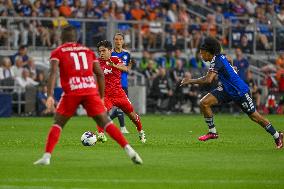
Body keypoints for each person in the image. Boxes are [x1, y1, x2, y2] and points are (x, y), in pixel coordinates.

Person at [34, 26, 143, 165]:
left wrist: (49, 95)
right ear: (76, 38)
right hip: (90, 90)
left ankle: (46, 157)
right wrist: (102, 96)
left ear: (62, 38)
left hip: (73, 90)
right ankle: (131, 151)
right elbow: (100, 74)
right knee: (106, 122)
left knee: (58, 123)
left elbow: (53, 73)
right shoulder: (87, 51)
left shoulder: (58, 51)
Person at [180, 37, 283, 149]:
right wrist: (232, 67)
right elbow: (229, 59)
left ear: (209, 53)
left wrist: (189, 81)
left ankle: (277, 136)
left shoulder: (216, 60)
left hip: (240, 91)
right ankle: (213, 132)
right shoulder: (220, 57)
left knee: (255, 117)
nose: (201, 56)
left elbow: (208, 80)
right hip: (227, 89)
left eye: (202, 53)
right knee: (204, 103)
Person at [95, 40, 146, 143]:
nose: (101, 53)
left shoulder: (116, 59)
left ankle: (141, 131)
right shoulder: (97, 62)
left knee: (133, 116)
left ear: (109, 50)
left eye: (103, 51)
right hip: (106, 95)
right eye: (100, 51)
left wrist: (113, 65)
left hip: (119, 94)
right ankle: (101, 134)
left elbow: (125, 69)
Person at [109, 33, 132, 134]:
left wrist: (116, 66)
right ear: (114, 41)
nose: (118, 41)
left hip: (123, 83)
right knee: (120, 106)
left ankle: (107, 122)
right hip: (113, 83)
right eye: (116, 39)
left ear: (123, 41)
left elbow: (127, 69)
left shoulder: (127, 54)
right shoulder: (109, 54)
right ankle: (122, 128)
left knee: (122, 106)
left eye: (120, 39)